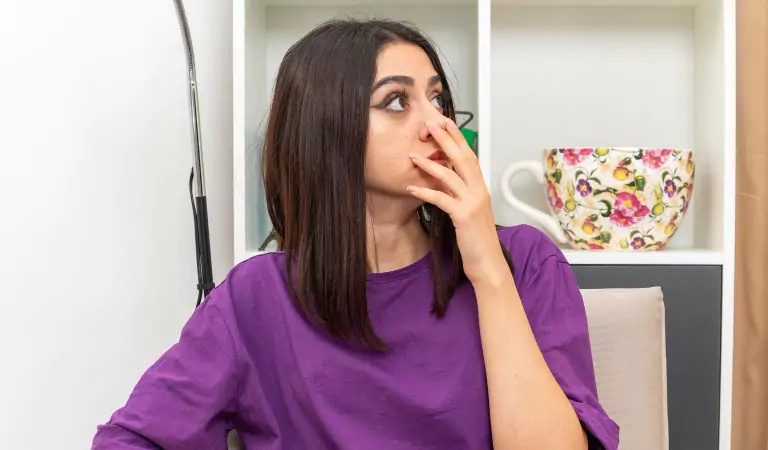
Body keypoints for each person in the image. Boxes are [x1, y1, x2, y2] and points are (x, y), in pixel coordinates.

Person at [91, 18, 619, 450]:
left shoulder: (524, 263)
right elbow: (130, 441)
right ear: (327, 129)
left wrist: (486, 268)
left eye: (438, 100)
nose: (437, 124)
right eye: (397, 101)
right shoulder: (256, 298)